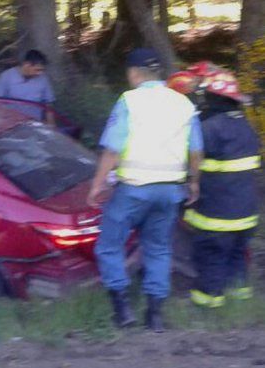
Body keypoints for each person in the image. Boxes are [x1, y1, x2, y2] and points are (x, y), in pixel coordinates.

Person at [86, 48, 203, 333]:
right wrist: (194, 181)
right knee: (159, 249)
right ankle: (155, 316)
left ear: (134, 73)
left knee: (110, 246)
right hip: (169, 191)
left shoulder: (130, 100)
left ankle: (122, 308)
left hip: (134, 189)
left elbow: (113, 148)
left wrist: (97, 185)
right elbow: (196, 149)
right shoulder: (183, 103)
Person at [167, 63, 261, 308]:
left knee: (211, 258)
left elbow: (188, 160)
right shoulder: (245, 126)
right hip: (246, 214)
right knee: (237, 255)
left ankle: (208, 305)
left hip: (217, 216)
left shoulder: (208, 128)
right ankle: (240, 300)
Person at [0, 49, 56, 125]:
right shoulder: (7, 76)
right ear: (27, 65)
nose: (40, 73)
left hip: (35, 124)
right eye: (37, 70)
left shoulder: (43, 79)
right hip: (12, 124)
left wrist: (51, 125)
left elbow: (49, 104)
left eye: (42, 70)